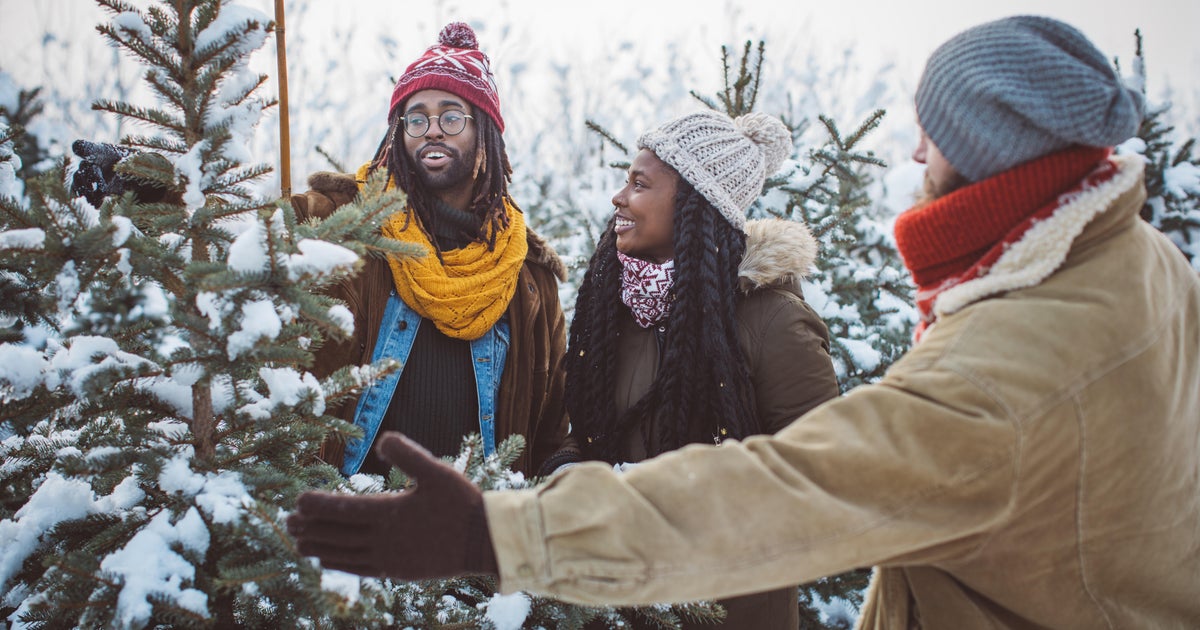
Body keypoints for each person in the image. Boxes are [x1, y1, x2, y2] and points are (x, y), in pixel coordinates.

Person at [287, 15, 1200, 629]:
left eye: (934, 130)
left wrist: (508, 534)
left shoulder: (1003, 378)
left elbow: (798, 482)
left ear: (995, 151)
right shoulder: (1139, 262)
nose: (917, 149)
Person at [536, 110, 840, 628]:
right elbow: (582, 435)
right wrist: (570, 474)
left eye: (639, 183)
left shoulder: (773, 322)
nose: (619, 197)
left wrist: (673, 506)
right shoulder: (615, 310)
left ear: (695, 205)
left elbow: (824, 481)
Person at [284, 22, 570, 477]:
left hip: (475, 524)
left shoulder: (527, 276)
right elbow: (232, 233)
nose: (431, 130)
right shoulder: (345, 222)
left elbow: (552, 427)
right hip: (351, 514)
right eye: (416, 118)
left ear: (486, 136)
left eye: (451, 116)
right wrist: (160, 191)